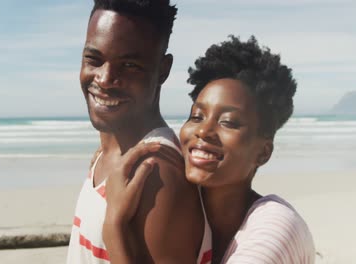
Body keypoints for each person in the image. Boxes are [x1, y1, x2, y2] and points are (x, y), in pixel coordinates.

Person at [102, 36, 316, 263]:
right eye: (197, 116)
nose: (203, 131)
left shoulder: (276, 228)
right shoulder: (185, 216)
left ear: (263, 152)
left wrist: (114, 229)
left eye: (228, 122)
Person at [66, 1, 210, 263]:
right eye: (93, 59)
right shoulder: (110, 148)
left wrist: (114, 228)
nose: (105, 78)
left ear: (163, 70)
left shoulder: (155, 174)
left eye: (130, 65)